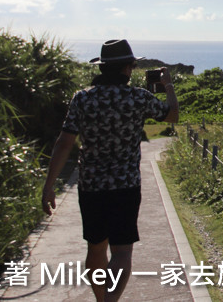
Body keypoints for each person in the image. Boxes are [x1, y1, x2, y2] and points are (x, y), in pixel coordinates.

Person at [41, 39, 178, 302]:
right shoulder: (138, 97)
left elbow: (64, 142)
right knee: (122, 252)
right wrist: (167, 84)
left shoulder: (82, 99)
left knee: (95, 249)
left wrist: (49, 186)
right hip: (125, 186)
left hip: (91, 186)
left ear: (103, 68)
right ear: (128, 68)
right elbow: (172, 115)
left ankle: (101, 299)